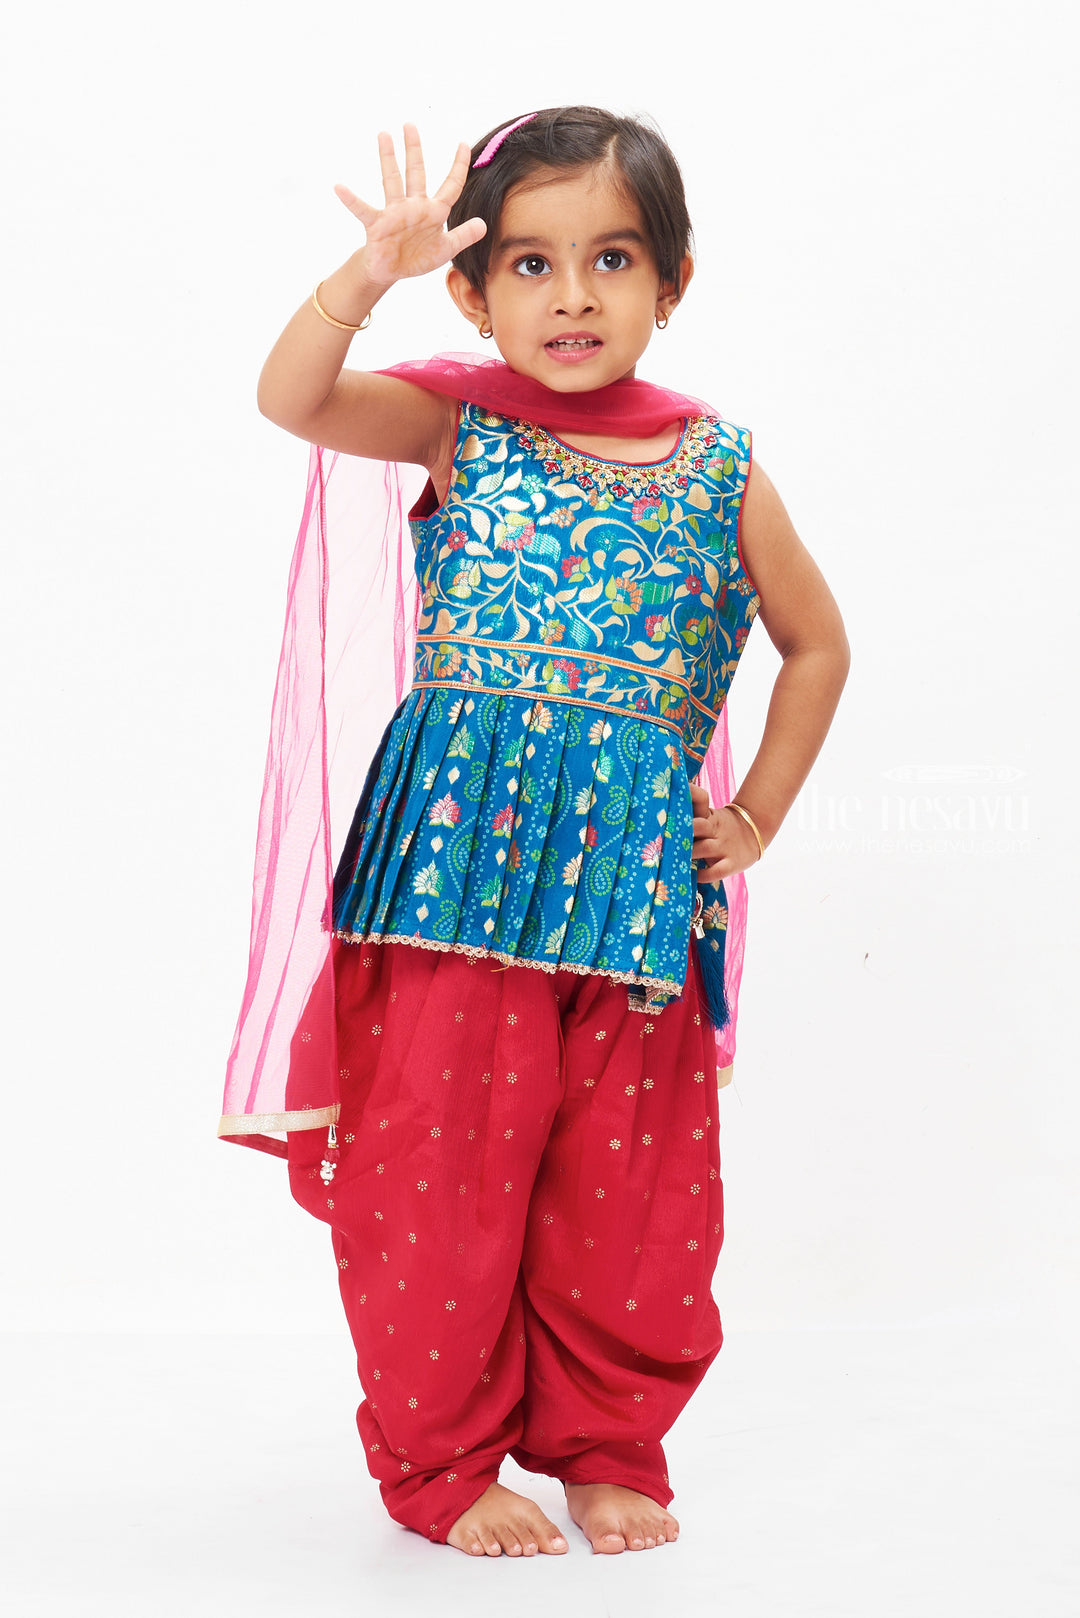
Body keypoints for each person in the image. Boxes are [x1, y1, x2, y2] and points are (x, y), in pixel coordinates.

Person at [227, 106, 850, 1559]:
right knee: (436, 1173)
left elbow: (817, 644)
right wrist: (365, 275)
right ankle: (443, 1463)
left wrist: (755, 814)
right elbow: (292, 398)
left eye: (612, 258)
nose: (572, 295)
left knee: (627, 1190)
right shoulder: (460, 423)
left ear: (672, 282)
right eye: (529, 263)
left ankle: (606, 1443)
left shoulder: (720, 467)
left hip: (637, 890)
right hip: (452, 876)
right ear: (472, 291)